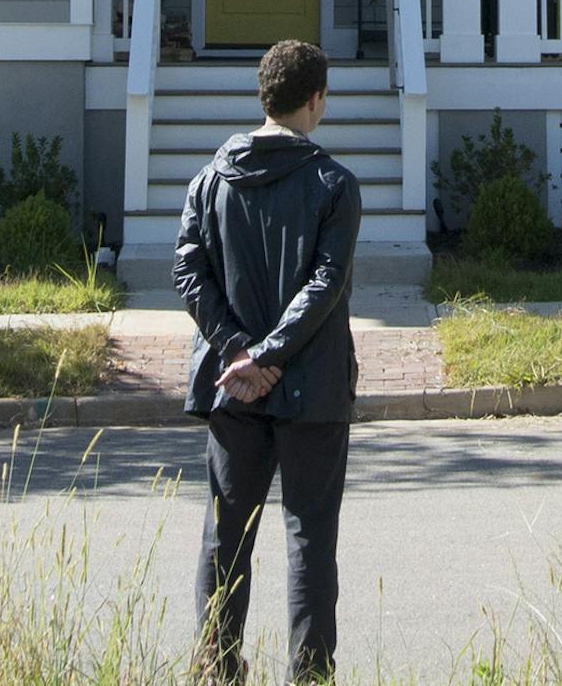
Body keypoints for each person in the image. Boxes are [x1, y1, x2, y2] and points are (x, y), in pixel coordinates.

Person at [174, 38, 362, 684]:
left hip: (232, 388)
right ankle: (310, 674)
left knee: (226, 534)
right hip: (310, 384)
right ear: (315, 100)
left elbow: (188, 274)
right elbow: (327, 281)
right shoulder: (333, 184)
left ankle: (216, 665)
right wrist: (268, 353)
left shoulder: (208, 180)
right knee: (310, 536)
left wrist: (235, 351)